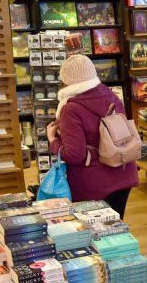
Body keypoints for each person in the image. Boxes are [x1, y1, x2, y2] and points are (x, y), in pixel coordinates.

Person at [49, 54, 139, 217]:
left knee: (92, 233)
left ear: (66, 80)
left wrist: (53, 140)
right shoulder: (111, 95)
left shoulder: (70, 109)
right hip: (123, 171)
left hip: (93, 182)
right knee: (114, 230)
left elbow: (74, 154)